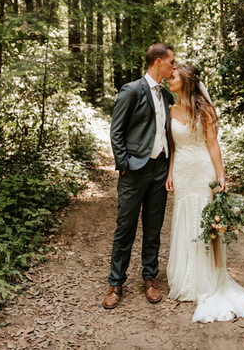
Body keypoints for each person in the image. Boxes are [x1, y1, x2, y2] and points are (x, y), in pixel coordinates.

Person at [165, 64, 244, 323]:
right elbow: (173, 147)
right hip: (182, 172)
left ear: (185, 81)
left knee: (205, 223)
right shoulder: (171, 109)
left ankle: (207, 281)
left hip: (203, 170)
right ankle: (186, 278)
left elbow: (212, 144)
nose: (169, 79)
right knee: (184, 218)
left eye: (173, 77)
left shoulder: (205, 110)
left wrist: (221, 177)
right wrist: (170, 173)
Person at [104, 43, 177, 309]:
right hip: (134, 170)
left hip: (160, 169)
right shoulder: (132, 90)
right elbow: (116, 131)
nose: (174, 67)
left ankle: (150, 277)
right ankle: (115, 283)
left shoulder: (168, 97)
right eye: (171, 62)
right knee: (125, 228)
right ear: (158, 62)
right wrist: (124, 164)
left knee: (153, 227)